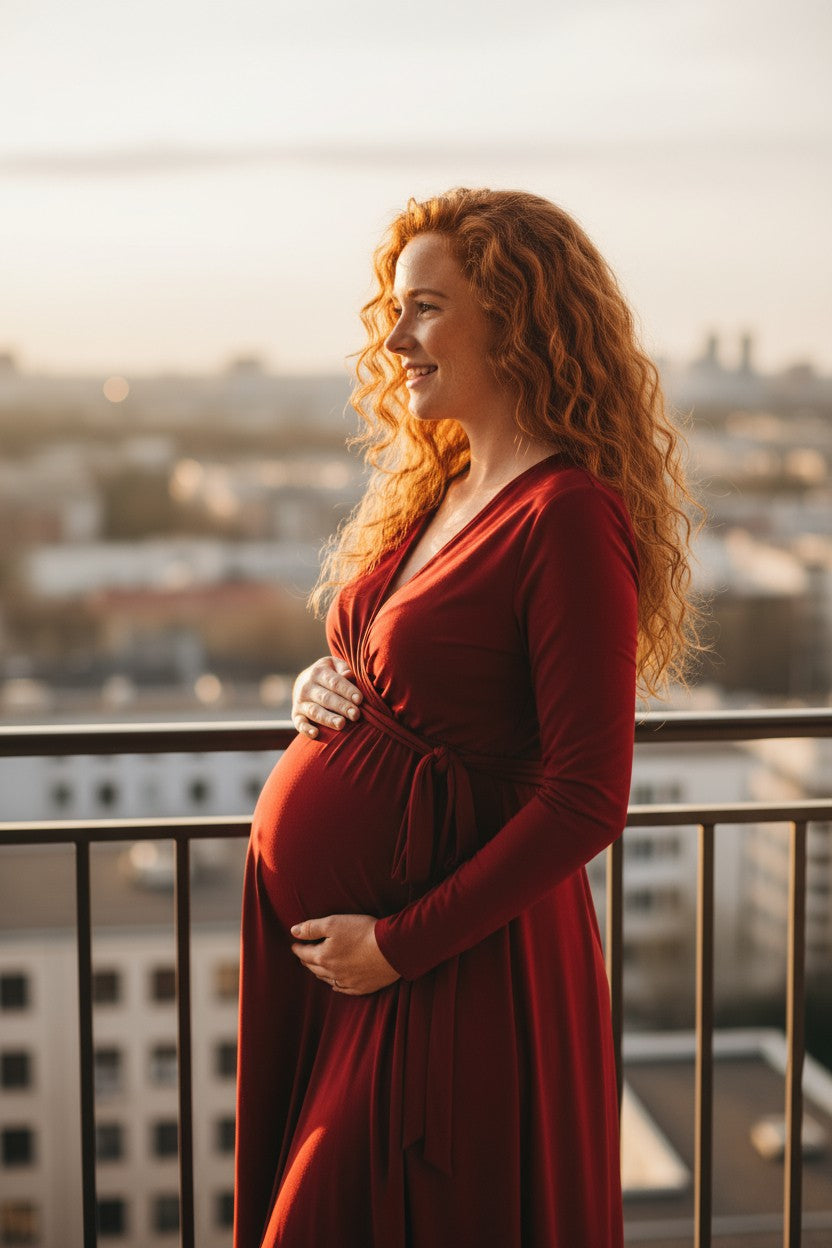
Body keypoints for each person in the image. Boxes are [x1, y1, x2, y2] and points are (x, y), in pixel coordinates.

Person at [234, 187, 697, 1248]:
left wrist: (398, 946)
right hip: (356, 978)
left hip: (449, 976)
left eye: (426, 309)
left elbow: (587, 797)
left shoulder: (568, 516)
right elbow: (419, 675)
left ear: (516, 321)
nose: (393, 338)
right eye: (395, 311)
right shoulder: (444, 486)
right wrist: (322, 685)